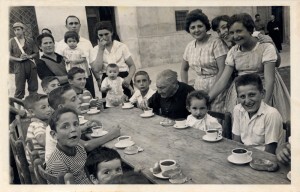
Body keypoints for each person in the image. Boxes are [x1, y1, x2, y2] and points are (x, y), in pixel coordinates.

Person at [209, 13, 290, 122]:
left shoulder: (264, 46)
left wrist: (264, 107)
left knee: (266, 125)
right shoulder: (233, 51)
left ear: (250, 30)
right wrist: (207, 99)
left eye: (239, 31)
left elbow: (269, 79)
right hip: (242, 92)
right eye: (232, 32)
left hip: (263, 90)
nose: (235, 35)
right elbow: (222, 80)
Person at [45, 85, 117, 162]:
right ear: (61, 107)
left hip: (69, 163)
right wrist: (113, 134)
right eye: (73, 99)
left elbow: (69, 133)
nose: (79, 101)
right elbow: (87, 146)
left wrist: (84, 127)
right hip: (61, 169)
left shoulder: (60, 120)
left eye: (77, 97)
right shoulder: (55, 127)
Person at [181, 9, 229, 112]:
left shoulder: (216, 43)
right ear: (189, 30)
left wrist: (211, 94)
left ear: (206, 27)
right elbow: (184, 69)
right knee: (200, 117)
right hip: (198, 87)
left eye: (200, 26)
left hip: (218, 87)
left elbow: (222, 70)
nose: (196, 30)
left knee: (216, 117)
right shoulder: (189, 46)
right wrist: (185, 89)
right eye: (192, 27)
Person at [232, 74, 284, 154]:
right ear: (238, 98)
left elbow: (270, 151)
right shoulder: (238, 109)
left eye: (252, 95)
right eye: (242, 97)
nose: (247, 101)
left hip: (265, 159)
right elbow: (236, 142)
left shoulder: (271, 114)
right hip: (244, 156)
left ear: (262, 94)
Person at [46, 107, 92, 184]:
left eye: (76, 124)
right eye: (65, 126)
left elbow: (85, 172)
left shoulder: (79, 148)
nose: (73, 129)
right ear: (54, 135)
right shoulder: (58, 163)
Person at [90, 21, 136, 98]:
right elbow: (96, 69)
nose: (104, 37)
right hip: (107, 79)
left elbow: (132, 65)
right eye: (100, 35)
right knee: (110, 104)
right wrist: (101, 49)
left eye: (106, 34)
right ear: (97, 36)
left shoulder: (121, 46)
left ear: (111, 32)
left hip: (123, 77)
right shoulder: (96, 49)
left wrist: (129, 78)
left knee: (127, 103)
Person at [56, 15, 96, 97]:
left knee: (90, 98)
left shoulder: (87, 42)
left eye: (76, 23)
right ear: (66, 26)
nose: (74, 26)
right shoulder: (60, 44)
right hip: (70, 77)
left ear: (80, 25)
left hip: (85, 75)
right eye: (71, 23)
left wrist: (98, 79)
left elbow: (92, 62)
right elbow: (59, 63)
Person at [9, 22, 38, 99]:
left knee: (33, 87)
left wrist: (29, 56)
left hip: (30, 65)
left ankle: (33, 106)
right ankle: (18, 110)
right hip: (19, 66)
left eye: (18, 29)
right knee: (19, 89)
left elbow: (36, 53)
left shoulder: (30, 40)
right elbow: (8, 56)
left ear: (23, 30)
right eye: (15, 30)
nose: (16, 32)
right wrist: (19, 59)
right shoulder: (12, 41)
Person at [24, 94, 52, 164]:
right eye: (43, 107)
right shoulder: (38, 125)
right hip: (42, 162)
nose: (49, 109)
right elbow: (42, 141)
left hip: (36, 159)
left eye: (49, 106)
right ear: (32, 112)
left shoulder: (36, 123)